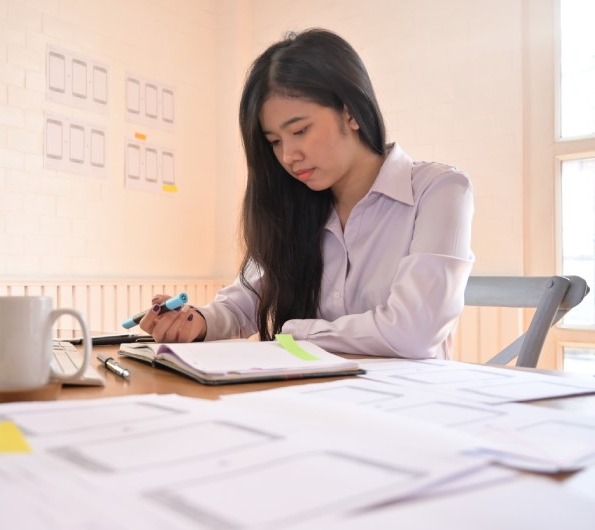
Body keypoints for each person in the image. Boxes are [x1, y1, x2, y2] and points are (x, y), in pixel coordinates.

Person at [140, 28, 474, 359]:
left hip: (410, 405)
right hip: (312, 397)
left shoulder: (439, 191)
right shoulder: (295, 205)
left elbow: (414, 333)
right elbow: (243, 303)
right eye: (275, 141)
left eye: (300, 130)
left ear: (351, 111)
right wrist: (194, 321)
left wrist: (298, 332)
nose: (288, 156)